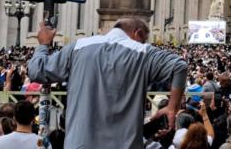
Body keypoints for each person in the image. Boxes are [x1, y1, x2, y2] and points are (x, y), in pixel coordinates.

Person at [27, 17, 189, 149]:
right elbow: (180, 66)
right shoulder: (143, 52)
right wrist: (172, 107)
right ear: (137, 33)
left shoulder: (78, 47)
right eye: (144, 39)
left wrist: (44, 45)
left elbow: (36, 71)